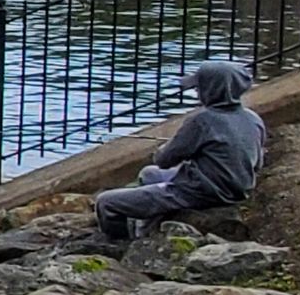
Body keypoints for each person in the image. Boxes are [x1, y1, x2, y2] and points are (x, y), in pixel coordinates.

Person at [95, 61, 264, 243]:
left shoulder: (202, 120)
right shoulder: (253, 119)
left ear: (211, 89)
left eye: (199, 87)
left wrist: (163, 149)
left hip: (200, 192)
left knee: (106, 202)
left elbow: (164, 160)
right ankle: (147, 227)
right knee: (149, 173)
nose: (197, 92)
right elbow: (257, 163)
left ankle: (120, 244)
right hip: (237, 191)